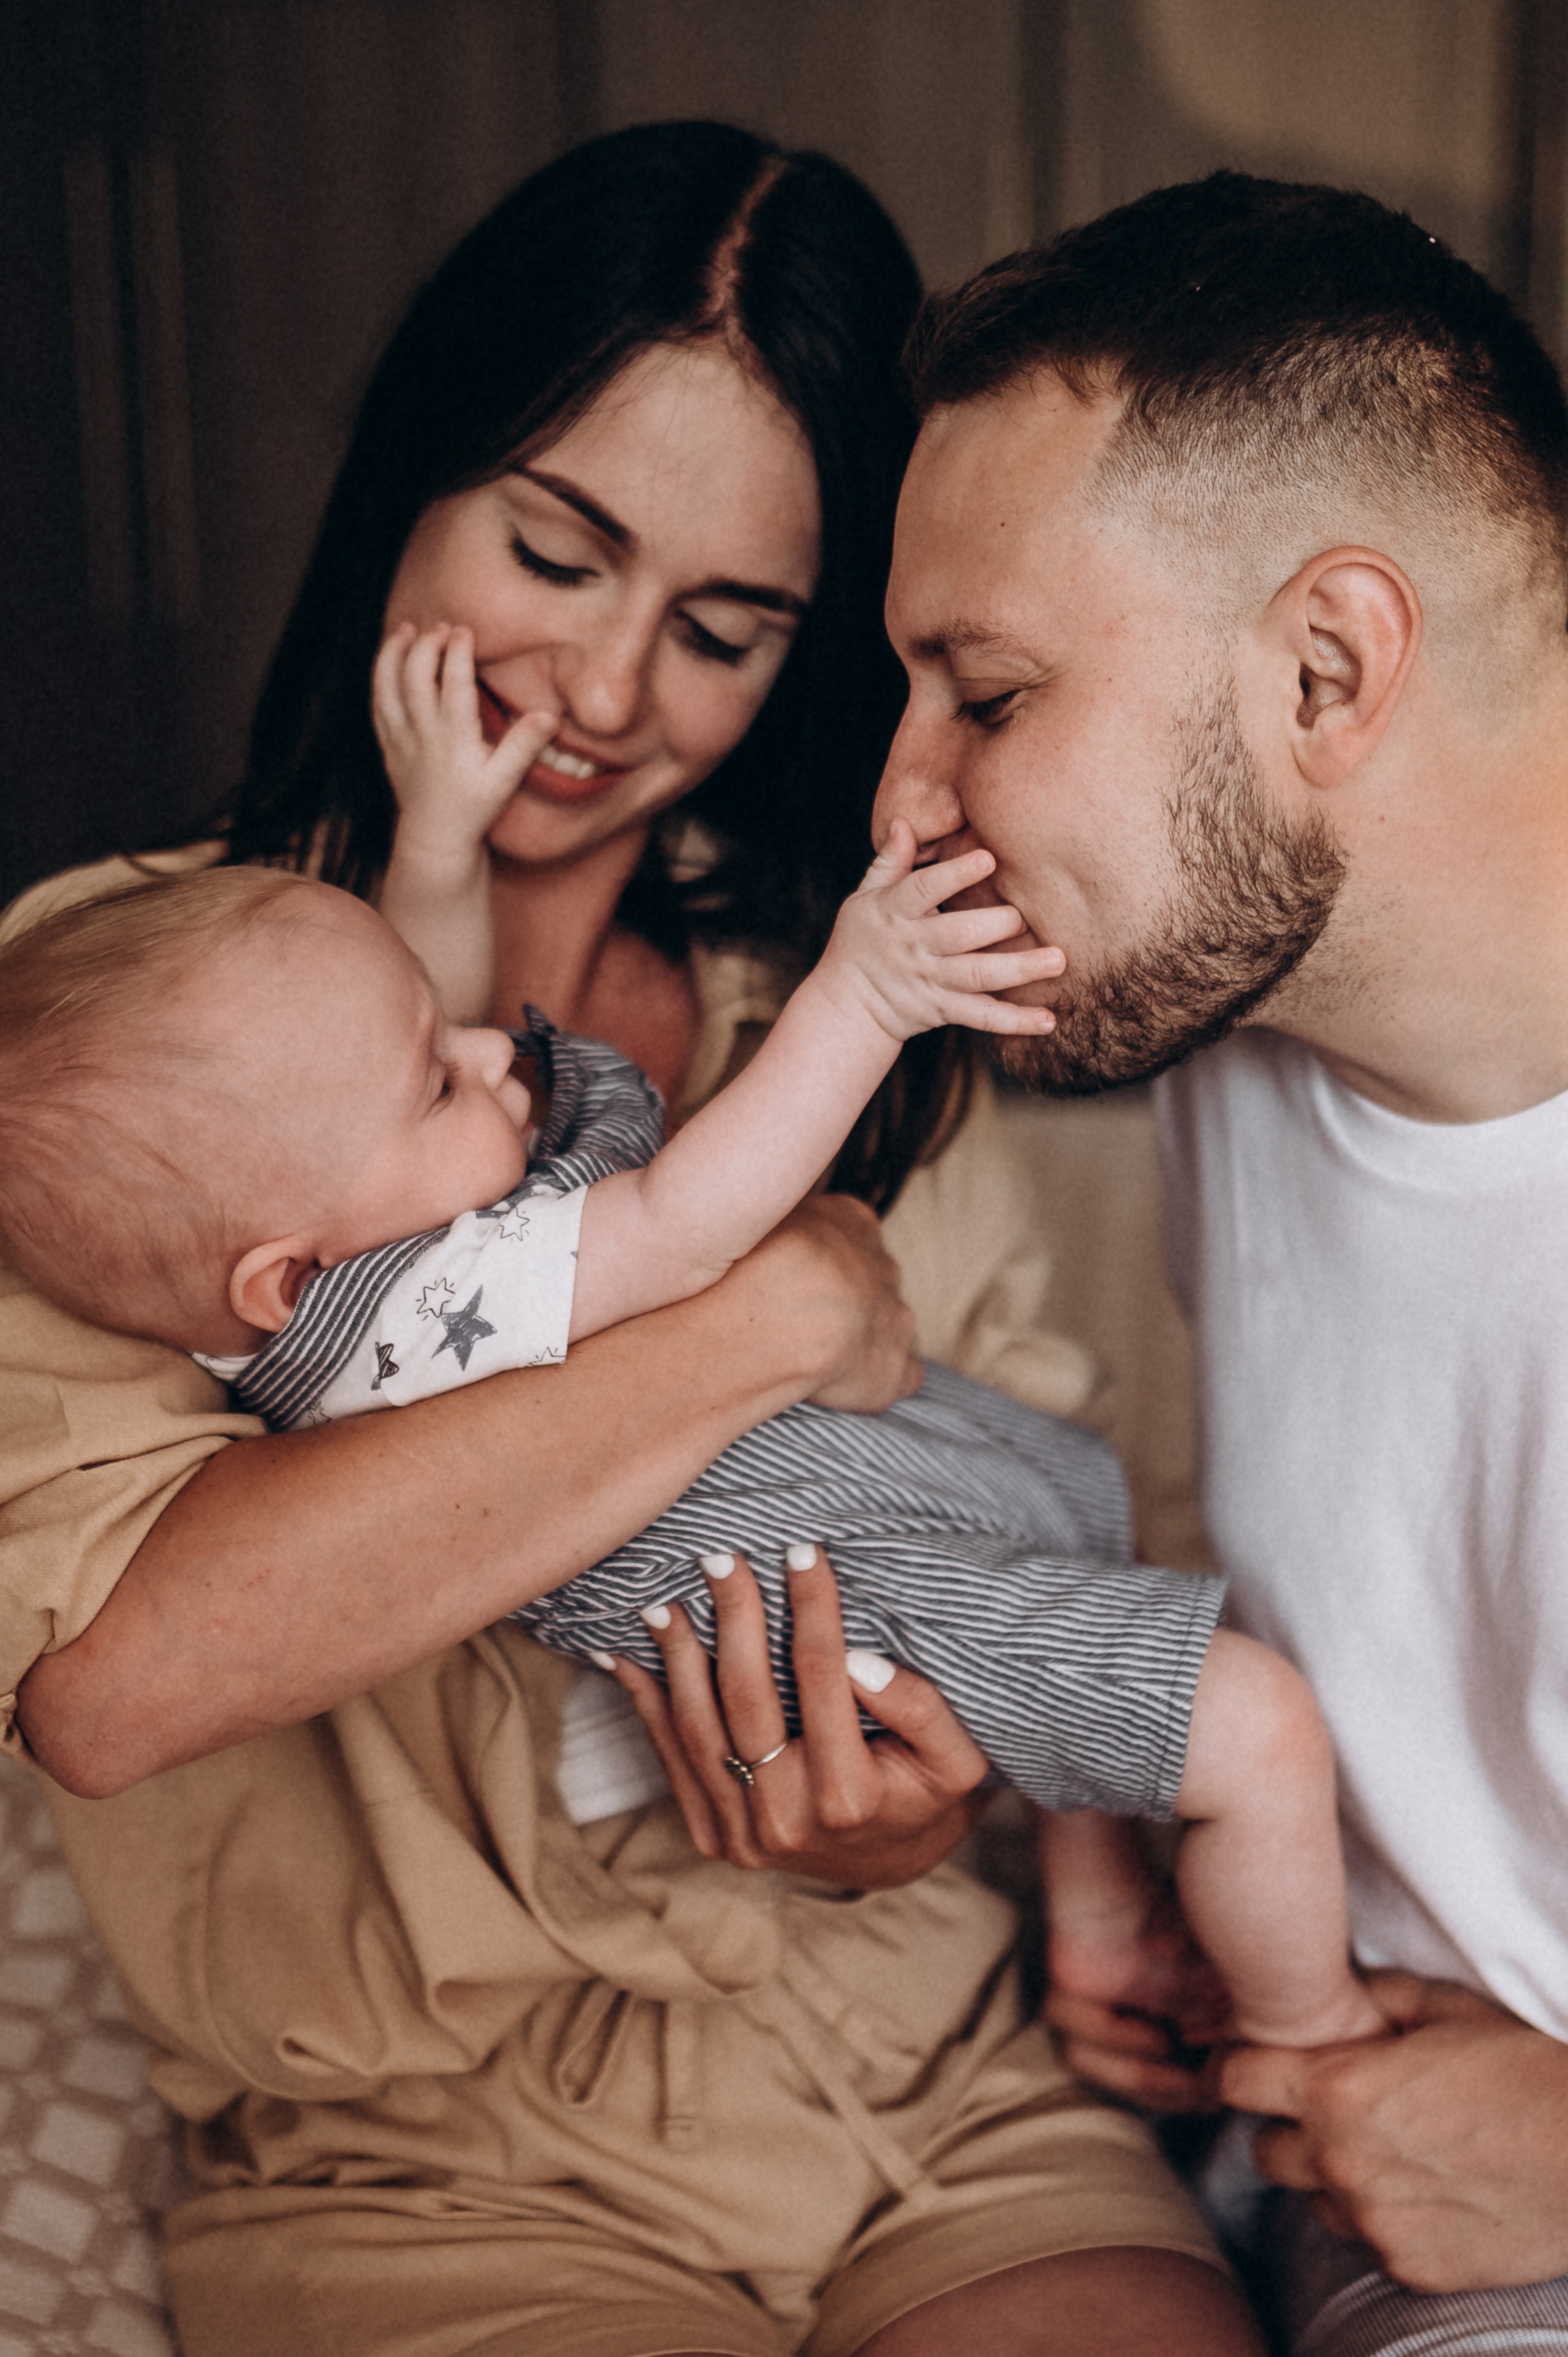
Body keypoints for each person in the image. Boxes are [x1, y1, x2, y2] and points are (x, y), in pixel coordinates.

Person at [0, 124, 1257, 2357]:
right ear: (419, 475)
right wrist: (762, 1316)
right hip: (426, 2159)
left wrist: (903, 1821)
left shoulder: (865, 1030)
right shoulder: (105, 1041)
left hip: (922, 2082)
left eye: (721, 631)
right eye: (554, 552)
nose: (597, 692)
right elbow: (117, 1674)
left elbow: (1033, 1523)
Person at [0, 851, 1384, 2062]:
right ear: (283, 1274)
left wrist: (435, 828)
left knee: (1073, 1522)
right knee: (1251, 1728)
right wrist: (867, 992)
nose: (496, 1056)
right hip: (814, 1583)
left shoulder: (316, 1254)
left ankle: (1095, 1913)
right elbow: (684, 1220)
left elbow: (423, 1019)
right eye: (441, 1079)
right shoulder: (417, 1303)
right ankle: (1307, 2037)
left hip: (858, 1496)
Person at [875, 168, 1568, 2355]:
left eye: (982, 690)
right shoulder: (1235, 1029)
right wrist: (1109, 1809)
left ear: (1329, 662)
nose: (905, 803)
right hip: (1313, 2141)